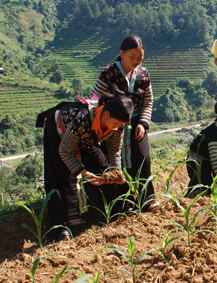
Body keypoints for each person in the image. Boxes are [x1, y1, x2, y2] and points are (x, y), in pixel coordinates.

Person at [37, 92, 133, 241]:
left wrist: (117, 172)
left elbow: (114, 151)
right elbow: (65, 150)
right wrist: (83, 171)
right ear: (106, 114)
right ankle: (61, 228)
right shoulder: (82, 121)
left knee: (103, 168)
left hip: (89, 137)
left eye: (120, 125)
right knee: (62, 176)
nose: (117, 128)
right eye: (116, 124)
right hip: (59, 130)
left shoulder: (118, 125)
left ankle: (114, 211)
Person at [90, 35, 156, 210]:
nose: (136, 61)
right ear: (121, 54)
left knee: (142, 159)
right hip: (111, 126)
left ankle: (146, 200)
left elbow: (148, 101)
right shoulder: (108, 73)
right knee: (113, 164)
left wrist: (143, 123)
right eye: (131, 57)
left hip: (135, 125)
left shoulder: (143, 74)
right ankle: (123, 204)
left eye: (139, 58)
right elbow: (95, 98)